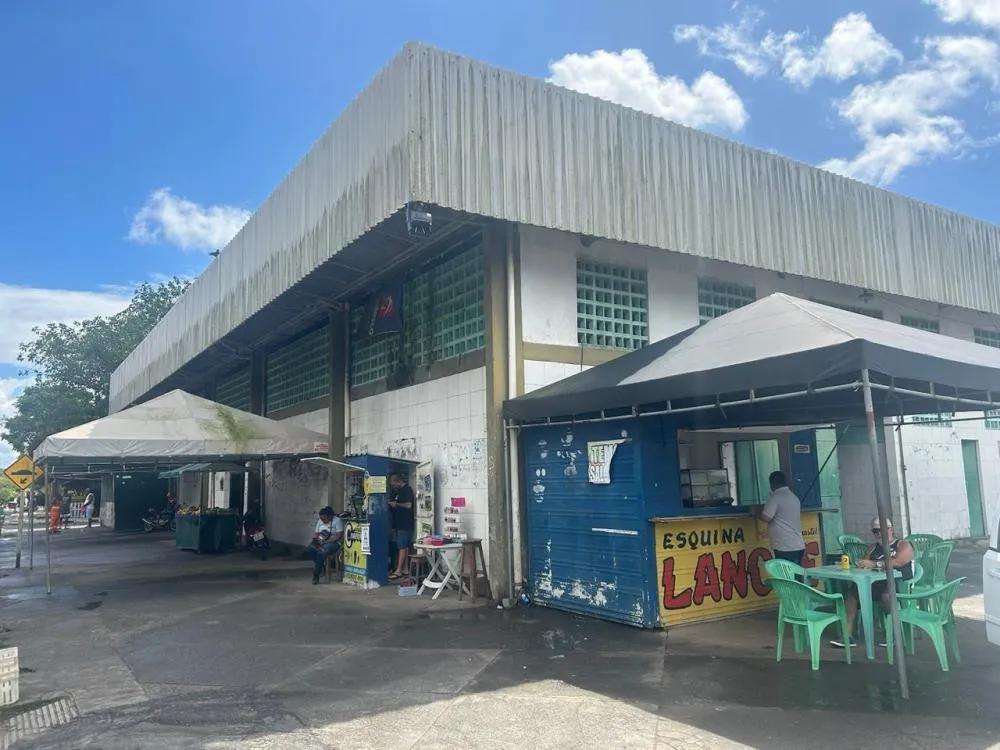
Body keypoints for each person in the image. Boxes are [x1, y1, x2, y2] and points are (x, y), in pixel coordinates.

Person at [831, 516, 914, 649]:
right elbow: (864, 565)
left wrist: (875, 563)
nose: (879, 534)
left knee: (887, 596)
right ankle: (847, 635)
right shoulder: (872, 548)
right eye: (875, 531)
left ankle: (893, 632)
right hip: (876, 584)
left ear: (890, 529)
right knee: (852, 593)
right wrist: (861, 565)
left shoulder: (902, 544)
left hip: (899, 584)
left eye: (882, 530)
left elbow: (900, 561)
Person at [749, 471, 804, 564]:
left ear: (772, 484)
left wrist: (755, 512)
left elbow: (766, 517)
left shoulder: (776, 497)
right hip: (798, 545)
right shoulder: (794, 497)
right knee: (796, 576)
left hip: (785, 546)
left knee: (785, 577)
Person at [388, 474, 415, 580]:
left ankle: (398, 570)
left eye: (393, 485)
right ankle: (405, 569)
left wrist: (397, 504)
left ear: (397, 481)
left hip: (405, 524)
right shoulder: (398, 491)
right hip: (399, 523)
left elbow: (409, 505)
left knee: (401, 546)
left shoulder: (407, 490)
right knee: (405, 546)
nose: (393, 487)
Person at [308, 506, 343, 585]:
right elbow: (316, 533)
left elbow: (338, 536)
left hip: (333, 543)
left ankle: (316, 574)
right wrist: (316, 539)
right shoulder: (320, 521)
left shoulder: (337, 521)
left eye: (324, 519)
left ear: (330, 516)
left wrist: (327, 541)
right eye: (321, 519)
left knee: (321, 552)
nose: (323, 521)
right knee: (310, 549)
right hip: (321, 541)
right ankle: (321, 567)